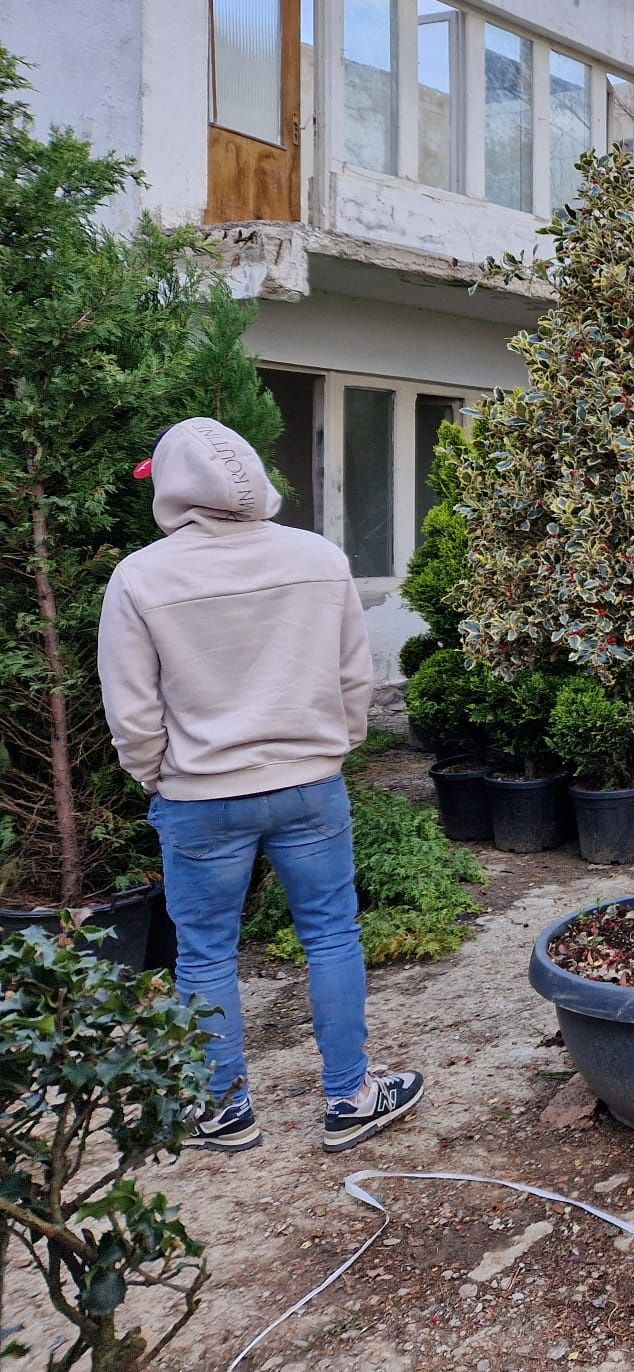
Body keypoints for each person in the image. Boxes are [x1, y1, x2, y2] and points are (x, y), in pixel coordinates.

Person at [98, 417, 424, 1153]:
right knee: (332, 935)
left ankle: (224, 1110)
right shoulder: (317, 556)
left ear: (172, 490)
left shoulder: (141, 577)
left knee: (206, 953)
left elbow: (132, 707)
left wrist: (157, 776)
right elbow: (356, 676)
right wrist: (332, 749)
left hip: (200, 795)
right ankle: (351, 1097)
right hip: (310, 784)